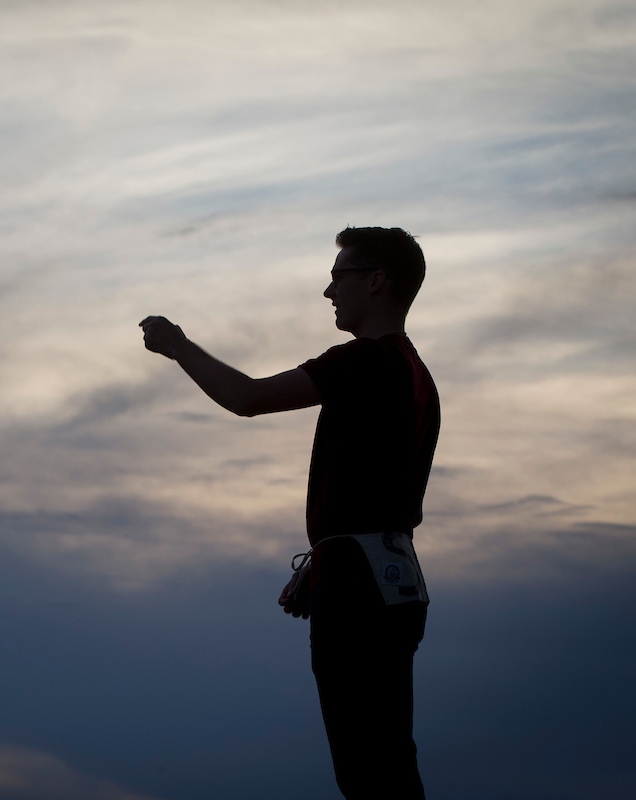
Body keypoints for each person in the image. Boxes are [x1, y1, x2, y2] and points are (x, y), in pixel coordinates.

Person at [139, 226, 438, 800]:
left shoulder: (362, 362)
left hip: (358, 587)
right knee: (388, 759)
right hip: (392, 583)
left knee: (365, 771)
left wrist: (177, 345)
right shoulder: (418, 376)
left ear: (377, 282)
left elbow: (248, 398)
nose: (329, 292)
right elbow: (386, 503)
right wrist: (326, 557)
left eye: (339, 277)